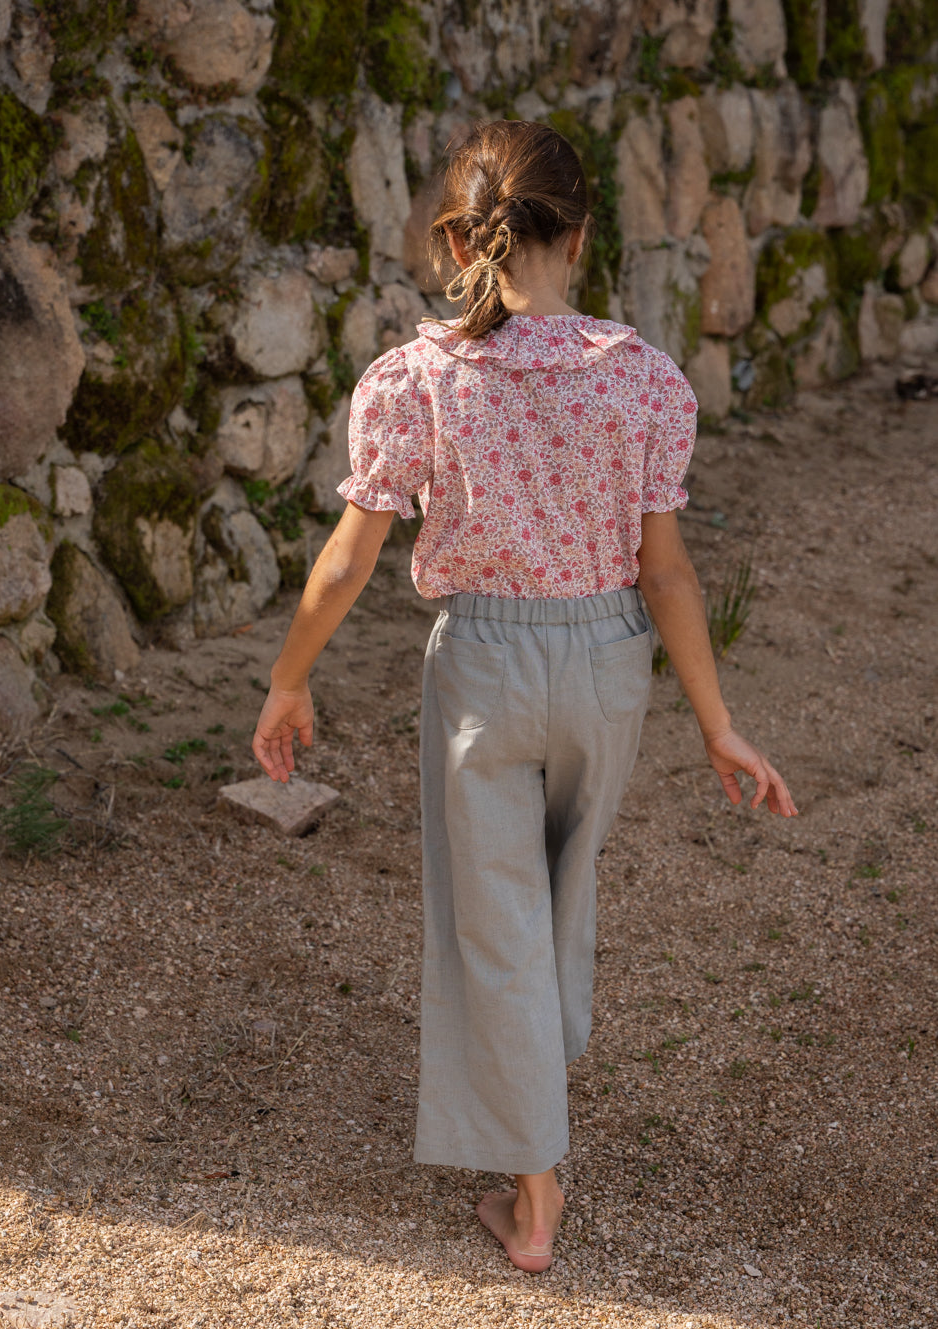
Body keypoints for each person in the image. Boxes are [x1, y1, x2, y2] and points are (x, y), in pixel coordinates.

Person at [252, 120, 797, 1275]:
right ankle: (533, 1129)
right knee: (560, 906)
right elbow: (667, 574)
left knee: (494, 927)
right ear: (582, 233)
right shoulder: (642, 379)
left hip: (483, 675)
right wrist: (718, 722)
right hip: (607, 666)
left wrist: (289, 681)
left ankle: (535, 1194)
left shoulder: (416, 382)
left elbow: (348, 560)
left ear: (456, 237)